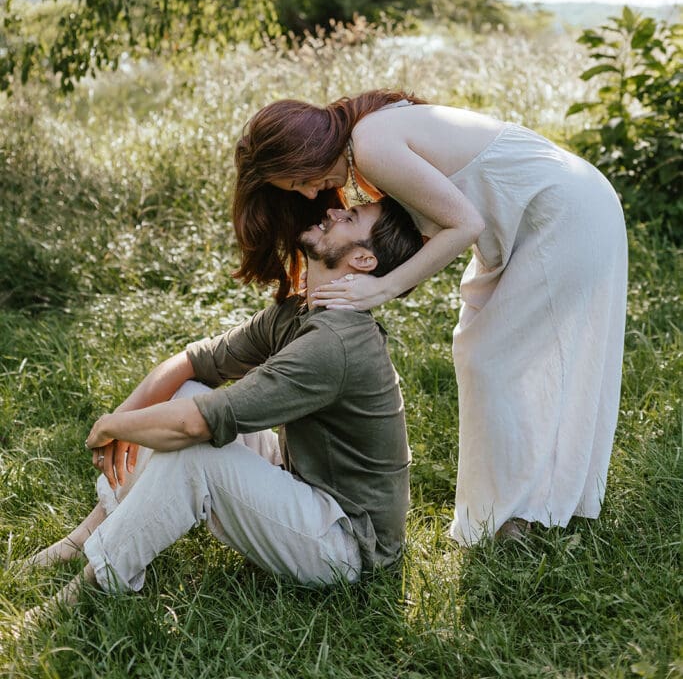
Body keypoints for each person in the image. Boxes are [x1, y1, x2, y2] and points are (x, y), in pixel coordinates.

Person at [233, 89, 628, 545]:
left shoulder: (370, 144)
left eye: (298, 179)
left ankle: (517, 514)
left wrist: (383, 287)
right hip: (537, 215)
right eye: (296, 190)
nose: (309, 192)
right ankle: (512, 510)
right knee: (483, 354)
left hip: (562, 212)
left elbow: (465, 223)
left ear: (307, 151)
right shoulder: (366, 138)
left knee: (494, 360)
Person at [19, 195, 423, 621]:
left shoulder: (335, 344)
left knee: (197, 452)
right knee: (188, 391)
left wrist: (112, 424)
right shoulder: (300, 312)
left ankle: (82, 593)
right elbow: (197, 362)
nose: (333, 211)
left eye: (351, 217)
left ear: (362, 259)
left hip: (350, 546)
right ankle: (86, 537)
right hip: (301, 475)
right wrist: (124, 417)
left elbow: (200, 424)